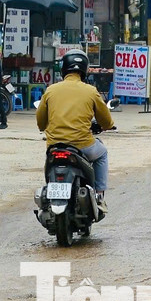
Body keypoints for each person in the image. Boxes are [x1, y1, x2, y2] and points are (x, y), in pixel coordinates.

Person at [36, 51, 116, 205]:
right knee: (102, 154)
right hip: (83, 145)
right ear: (84, 70)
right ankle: (99, 195)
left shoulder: (51, 90)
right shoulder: (90, 91)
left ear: (63, 68)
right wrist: (109, 126)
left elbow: (40, 122)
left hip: (54, 146)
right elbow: (105, 121)